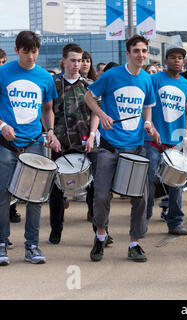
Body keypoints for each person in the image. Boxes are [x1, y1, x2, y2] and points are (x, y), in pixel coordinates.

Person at [84, 34, 156, 263]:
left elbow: (147, 106)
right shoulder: (112, 75)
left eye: (144, 51)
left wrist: (148, 123)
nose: (141, 55)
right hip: (109, 147)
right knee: (102, 195)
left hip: (135, 148)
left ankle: (135, 243)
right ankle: (101, 235)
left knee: (141, 197)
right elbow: (89, 97)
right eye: (136, 51)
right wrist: (102, 115)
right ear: (128, 53)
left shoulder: (146, 79)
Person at [0, 31, 60, 266]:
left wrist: (51, 131)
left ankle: (32, 246)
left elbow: (48, 109)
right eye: (26, 51)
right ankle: (2, 243)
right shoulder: (3, 73)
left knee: (35, 197)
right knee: (3, 195)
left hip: (35, 142)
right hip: (6, 143)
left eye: (35, 51)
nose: (31, 56)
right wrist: (2, 125)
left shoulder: (45, 77)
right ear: (17, 50)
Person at [47, 43, 100, 245]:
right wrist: (51, 135)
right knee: (57, 190)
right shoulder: (54, 84)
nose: (77, 64)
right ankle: (56, 229)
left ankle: (100, 231)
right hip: (60, 143)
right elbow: (47, 111)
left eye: (79, 60)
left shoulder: (89, 85)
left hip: (86, 142)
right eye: (73, 60)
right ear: (64, 60)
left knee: (95, 190)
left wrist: (94, 135)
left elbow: (96, 112)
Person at [144, 45, 187, 235]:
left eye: (180, 58)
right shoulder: (154, 80)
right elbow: (145, 106)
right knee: (148, 181)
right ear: (166, 60)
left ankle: (175, 222)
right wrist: (150, 126)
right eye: (172, 57)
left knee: (176, 184)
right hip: (152, 142)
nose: (177, 60)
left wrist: (186, 133)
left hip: (175, 142)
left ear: (184, 61)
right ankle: (144, 219)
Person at [0, 48, 22, 228]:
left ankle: (10, 212)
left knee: (8, 182)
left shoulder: (8, 81)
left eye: (3, 62)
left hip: (6, 139)